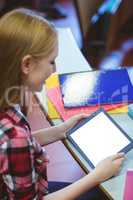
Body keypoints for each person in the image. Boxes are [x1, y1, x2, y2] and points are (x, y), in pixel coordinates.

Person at [0, 8, 125, 200]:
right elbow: (17, 144)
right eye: (51, 62)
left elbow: (16, 146)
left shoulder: (7, 101)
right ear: (27, 65)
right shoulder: (15, 138)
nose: (54, 70)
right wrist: (95, 177)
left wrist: (62, 130)